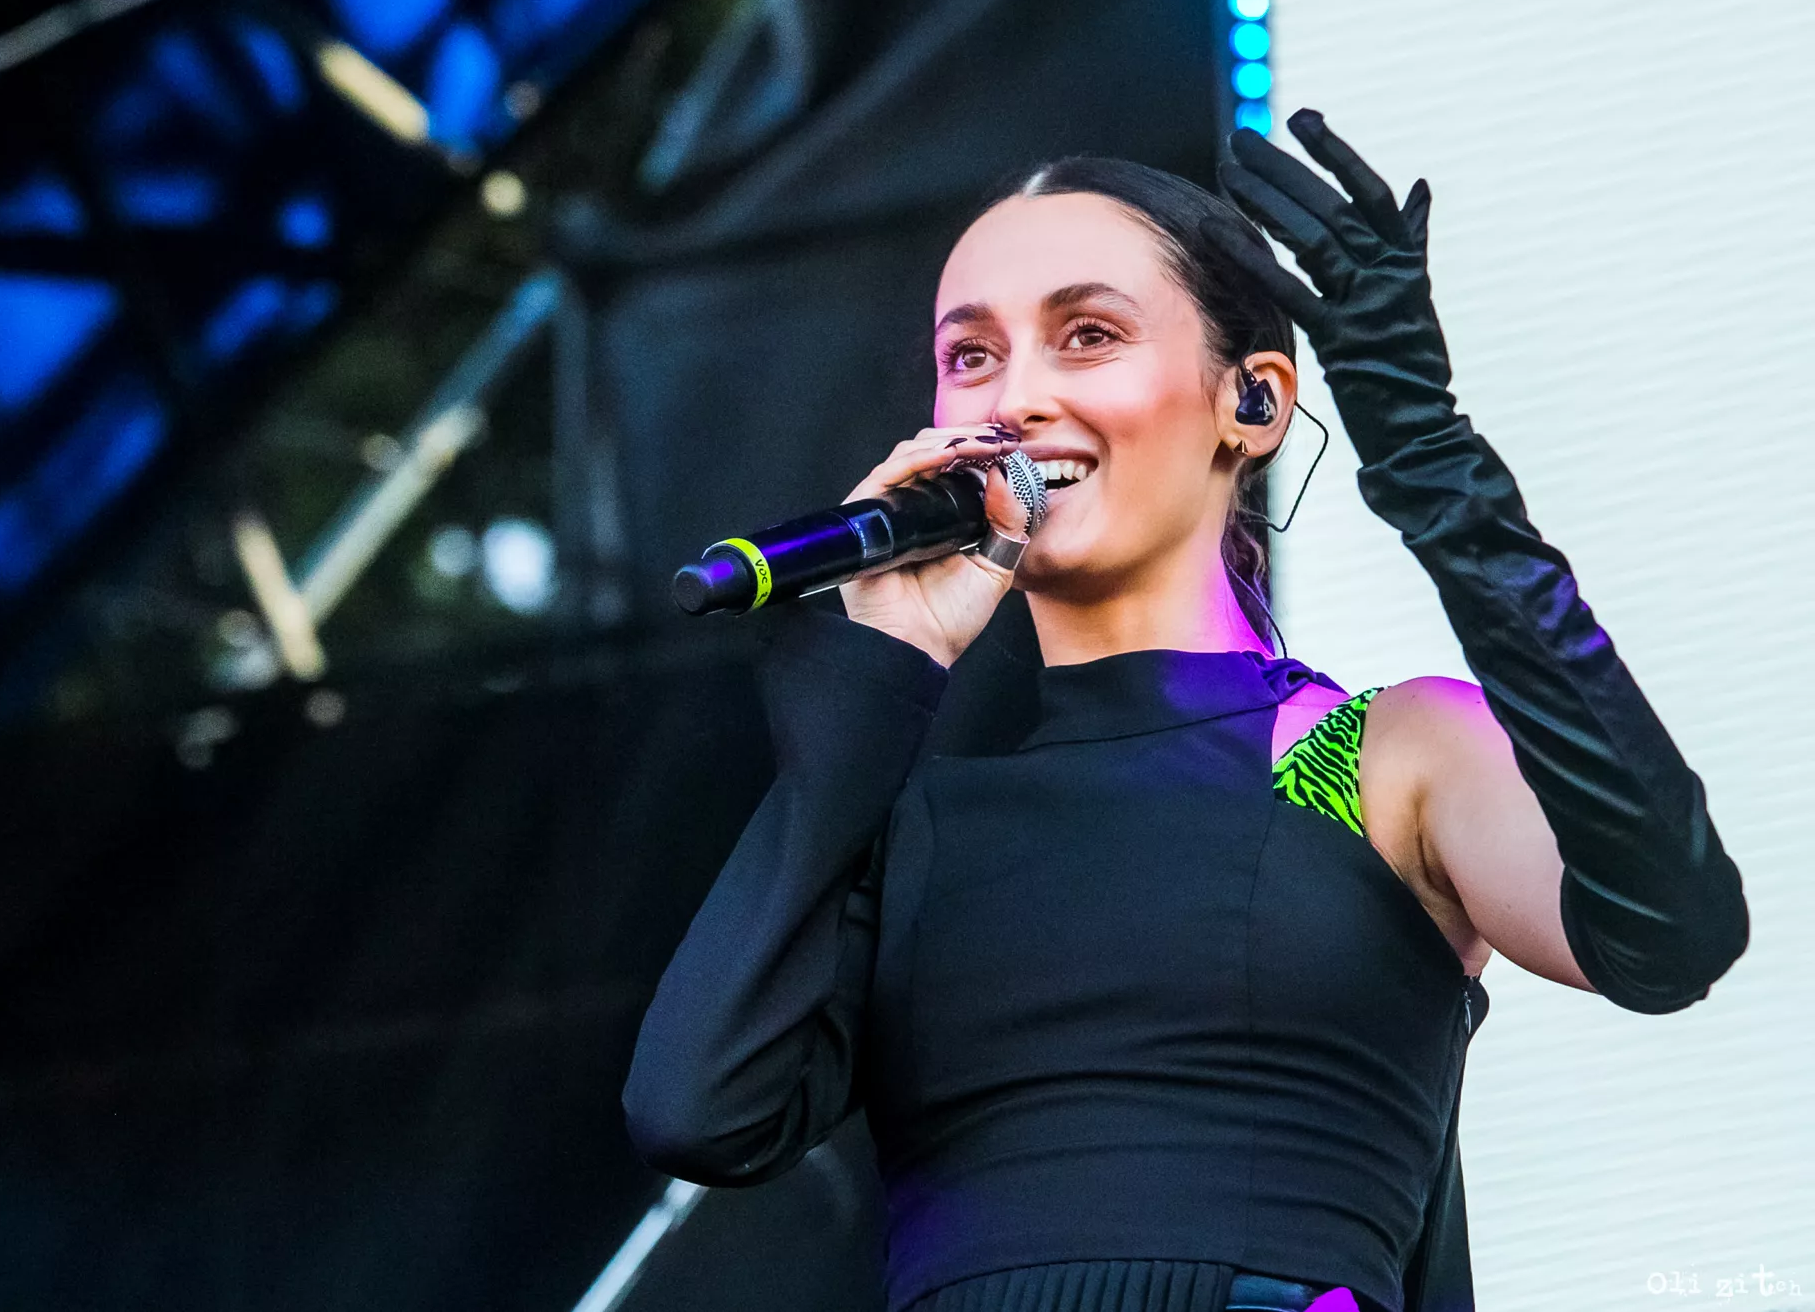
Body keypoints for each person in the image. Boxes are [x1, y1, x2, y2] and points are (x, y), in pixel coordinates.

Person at [620, 110, 1749, 1312]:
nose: (1017, 397)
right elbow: (701, 1114)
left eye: (1087, 335)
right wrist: (878, 672)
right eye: (972, 355)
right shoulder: (908, 821)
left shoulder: (1368, 756)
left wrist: (1426, 457)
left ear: (1251, 404)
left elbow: (1666, 935)